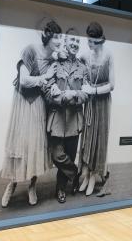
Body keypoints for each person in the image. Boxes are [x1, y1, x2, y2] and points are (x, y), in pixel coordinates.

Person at [0, 20, 60, 207]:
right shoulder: (31, 50)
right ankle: (12, 184)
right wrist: (46, 77)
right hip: (24, 102)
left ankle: (32, 186)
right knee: (21, 143)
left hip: (39, 104)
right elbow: (24, 81)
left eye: (60, 37)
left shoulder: (54, 61)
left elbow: (51, 85)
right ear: (48, 36)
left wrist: (54, 86)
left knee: (35, 144)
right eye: (56, 37)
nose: (59, 41)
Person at [42, 29, 90, 203]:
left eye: (77, 41)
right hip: (57, 119)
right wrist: (63, 96)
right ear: (65, 42)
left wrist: (74, 95)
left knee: (70, 153)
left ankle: (61, 188)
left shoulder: (83, 68)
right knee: (57, 155)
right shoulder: (55, 65)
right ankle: (75, 173)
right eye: (72, 40)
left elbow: (87, 94)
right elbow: (47, 91)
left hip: (74, 120)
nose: (74, 44)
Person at [79, 21, 115, 196]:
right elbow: (79, 72)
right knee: (87, 136)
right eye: (88, 40)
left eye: (92, 41)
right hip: (90, 102)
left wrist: (94, 90)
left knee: (99, 137)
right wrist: (85, 84)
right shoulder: (85, 55)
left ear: (100, 40)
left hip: (102, 102)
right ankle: (85, 174)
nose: (89, 44)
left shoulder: (108, 56)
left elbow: (112, 85)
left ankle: (94, 175)